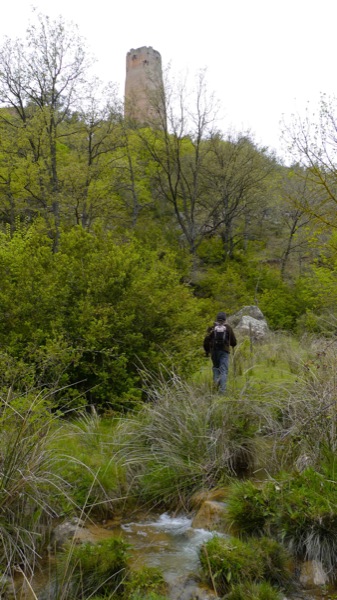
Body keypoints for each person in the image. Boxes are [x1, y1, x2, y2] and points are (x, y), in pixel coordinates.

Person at [203, 311, 237, 393]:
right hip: (224, 351)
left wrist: (207, 351)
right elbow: (234, 342)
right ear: (225, 319)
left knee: (216, 368)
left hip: (214, 351)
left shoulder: (211, 327)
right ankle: (222, 391)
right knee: (224, 370)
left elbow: (206, 341)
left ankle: (215, 388)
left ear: (217, 319)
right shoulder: (228, 328)